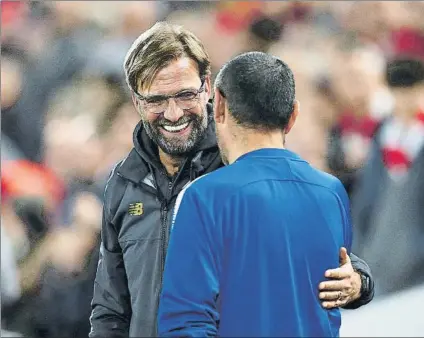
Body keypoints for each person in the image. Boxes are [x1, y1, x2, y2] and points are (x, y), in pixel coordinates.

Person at [89, 22, 374, 338]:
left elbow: (321, 251)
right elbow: (110, 308)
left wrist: (359, 280)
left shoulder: (241, 165)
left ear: (208, 88)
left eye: (185, 95)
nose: (172, 113)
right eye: (157, 99)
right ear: (137, 101)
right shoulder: (123, 181)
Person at [157, 51, 354, 337]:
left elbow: (185, 321)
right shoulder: (332, 192)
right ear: (293, 114)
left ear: (220, 105)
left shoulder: (205, 196)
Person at [351, 58, 424, 297]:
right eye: (398, 93)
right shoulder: (383, 131)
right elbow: (367, 193)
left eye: (410, 92)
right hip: (379, 241)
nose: (404, 100)